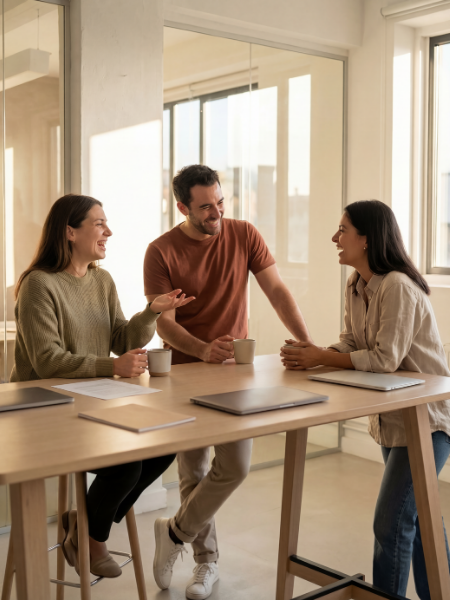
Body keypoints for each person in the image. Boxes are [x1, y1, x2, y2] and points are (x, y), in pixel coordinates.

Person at [144, 164, 312, 600]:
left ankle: (175, 532)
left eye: (220, 202)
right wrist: (201, 349)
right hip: (182, 375)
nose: (216, 212)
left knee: (234, 466)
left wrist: (309, 344)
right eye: (205, 207)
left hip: (236, 373)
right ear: (181, 206)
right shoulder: (160, 251)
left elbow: (276, 290)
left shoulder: (244, 234)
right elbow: (164, 323)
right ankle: (206, 562)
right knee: (194, 470)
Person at [11, 193, 194, 579]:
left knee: (162, 450)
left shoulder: (101, 279)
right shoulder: (38, 285)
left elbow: (122, 339)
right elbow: (48, 361)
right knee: (126, 464)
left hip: (91, 403)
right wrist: (112, 367)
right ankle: (94, 542)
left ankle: (83, 526)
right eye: (99, 223)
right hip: (45, 409)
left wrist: (153, 311)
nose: (108, 231)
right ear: (69, 232)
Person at [280, 200, 450, 599]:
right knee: (421, 519)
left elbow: (384, 360)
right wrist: (314, 351)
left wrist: (322, 358)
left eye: (342, 230)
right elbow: (353, 344)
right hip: (395, 420)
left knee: (391, 523)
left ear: (367, 238)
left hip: (428, 420)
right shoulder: (356, 284)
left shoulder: (397, 286)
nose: (334, 238)